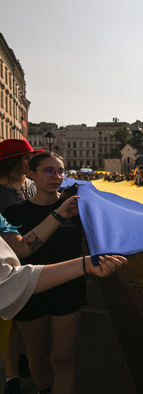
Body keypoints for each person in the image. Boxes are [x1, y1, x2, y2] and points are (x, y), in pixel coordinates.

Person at [3, 152, 85, 394]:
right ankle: (44, 389)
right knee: (37, 356)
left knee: (62, 358)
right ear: (31, 174)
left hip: (69, 289)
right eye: (48, 171)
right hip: (30, 291)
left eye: (60, 171)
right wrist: (60, 213)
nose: (56, 176)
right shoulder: (13, 212)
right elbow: (22, 250)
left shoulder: (78, 206)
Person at [0, 139, 43, 393]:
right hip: (6, 261)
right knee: (10, 320)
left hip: (32, 257)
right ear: (13, 162)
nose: (32, 162)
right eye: (27, 158)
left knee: (27, 319)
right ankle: (11, 376)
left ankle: (23, 359)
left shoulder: (30, 186)